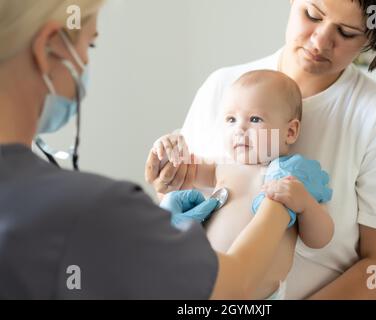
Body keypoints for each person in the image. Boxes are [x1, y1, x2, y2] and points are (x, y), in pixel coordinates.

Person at [0, 0, 296, 299]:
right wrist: (279, 204)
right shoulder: (92, 208)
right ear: (49, 47)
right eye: (90, 46)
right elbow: (232, 287)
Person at [146, 0, 376, 299]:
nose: (320, 41)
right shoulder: (224, 87)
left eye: (346, 32)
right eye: (312, 15)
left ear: (372, 35)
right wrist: (168, 179)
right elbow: (185, 202)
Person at [153, 70, 335, 299]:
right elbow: (182, 167)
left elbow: (321, 239)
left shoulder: (295, 176)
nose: (240, 129)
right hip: (205, 283)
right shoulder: (222, 167)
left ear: (290, 131)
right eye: (231, 119)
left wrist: (306, 205)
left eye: (255, 119)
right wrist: (167, 149)